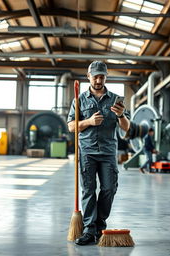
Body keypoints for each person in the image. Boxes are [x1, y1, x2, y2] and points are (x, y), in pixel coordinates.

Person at [67, 61, 130, 245]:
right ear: (88, 76)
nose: (98, 79)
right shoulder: (79, 100)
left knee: (109, 189)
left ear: (106, 76)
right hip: (87, 152)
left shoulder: (115, 99)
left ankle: (100, 223)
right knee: (88, 191)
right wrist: (88, 122)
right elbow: (71, 126)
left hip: (108, 152)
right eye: (95, 76)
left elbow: (126, 128)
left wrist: (121, 115)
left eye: (102, 76)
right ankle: (89, 230)